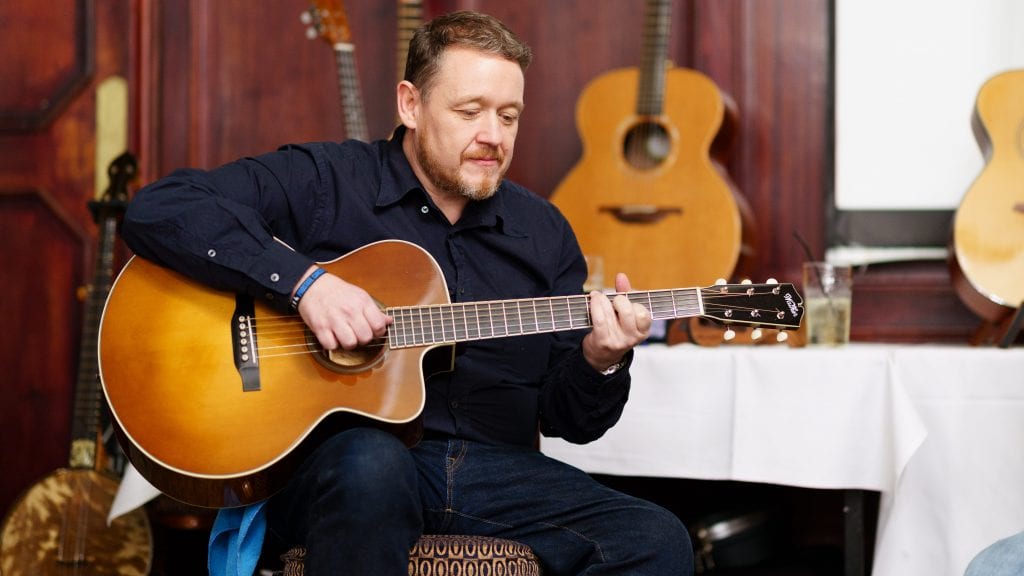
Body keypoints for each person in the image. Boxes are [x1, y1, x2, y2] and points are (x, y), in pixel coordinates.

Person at [121, 10, 693, 575]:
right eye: (469, 112)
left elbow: (570, 420)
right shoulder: (327, 181)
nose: (492, 135)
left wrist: (601, 360)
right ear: (411, 105)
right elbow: (161, 208)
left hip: (497, 477)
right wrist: (304, 285)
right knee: (372, 463)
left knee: (655, 539)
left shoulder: (544, 232)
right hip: (344, 469)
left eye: (509, 116)